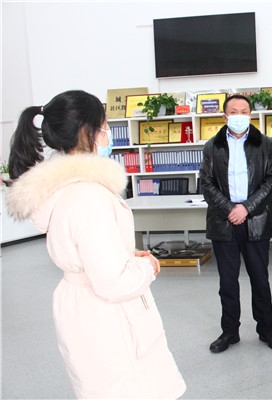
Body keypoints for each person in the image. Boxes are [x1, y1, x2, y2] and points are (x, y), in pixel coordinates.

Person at [6, 90, 186, 399]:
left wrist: (125, 255)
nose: (108, 133)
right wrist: (146, 265)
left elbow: (88, 253)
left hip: (85, 312)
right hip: (109, 321)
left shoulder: (65, 191)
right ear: (85, 132)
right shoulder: (89, 197)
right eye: (104, 126)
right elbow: (113, 283)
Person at [200, 94, 272, 353]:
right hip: (223, 221)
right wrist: (230, 209)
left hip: (256, 220)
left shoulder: (266, 144)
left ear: (251, 115)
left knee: (260, 279)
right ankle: (229, 331)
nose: (239, 115)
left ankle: (266, 329)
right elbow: (206, 184)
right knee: (227, 282)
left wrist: (246, 208)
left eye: (244, 111)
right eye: (233, 111)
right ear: (225, 116)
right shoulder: (212, 146)